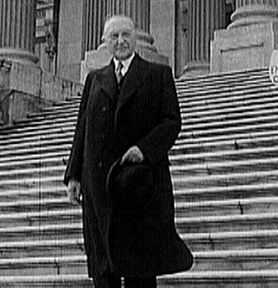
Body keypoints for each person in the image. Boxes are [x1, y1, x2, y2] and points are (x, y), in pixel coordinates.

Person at [63, 14, 193, 288]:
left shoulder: (157, 75)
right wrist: (73, 175)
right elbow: (82, 129)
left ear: (135, 37)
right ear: (105, 42)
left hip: (139, 185)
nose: (120, 41)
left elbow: (172, 122)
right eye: (114, 37)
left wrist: (144, 149)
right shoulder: (95, 79)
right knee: (104, 268)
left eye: (125, 35)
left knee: (140, 268)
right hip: (100, 187)